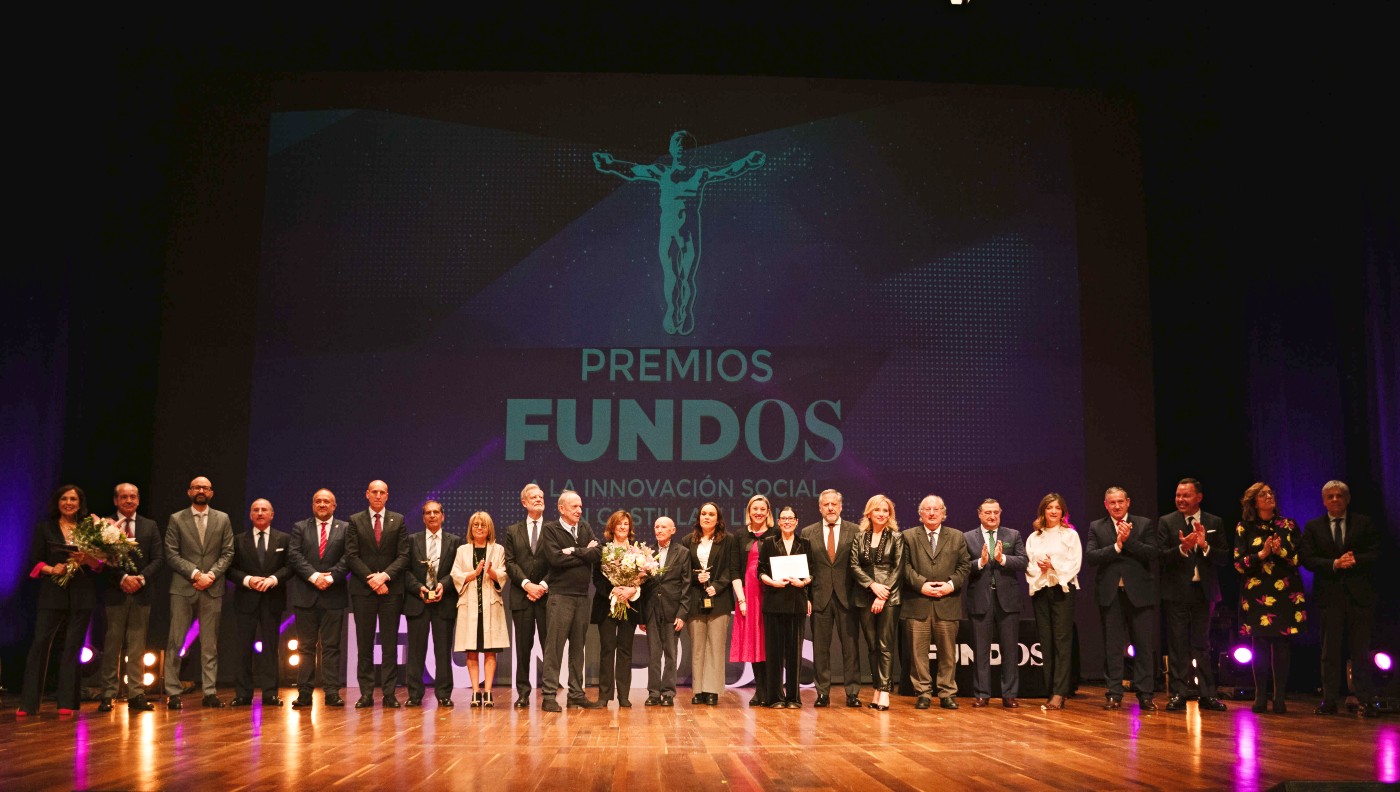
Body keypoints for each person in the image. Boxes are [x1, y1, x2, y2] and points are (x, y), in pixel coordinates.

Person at [592, 131, 765, 335]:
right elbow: (634, 170)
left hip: (690, 232)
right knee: (672, 276)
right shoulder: (662, 172)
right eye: (678, 145)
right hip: (669, 231)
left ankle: (687, 311)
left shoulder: (700, 174)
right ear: (672, 149)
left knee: (687, 278)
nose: (681, 148)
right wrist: (611, 164)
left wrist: (747, 162)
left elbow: (727, 171)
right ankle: (673, 310)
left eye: (685, 146)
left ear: (692, 151)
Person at [17, 485, 102, 717]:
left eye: (73, 499)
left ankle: (67, 702)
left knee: (72, 647)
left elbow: (100, 565)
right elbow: (35, 561)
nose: (68, 503)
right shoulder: (44, 528)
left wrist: (87, 559)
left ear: (80, 503)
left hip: (81, 594)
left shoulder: (90, 529)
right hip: (52, 593)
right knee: (40, 645)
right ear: (57, 502)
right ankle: (28, 704)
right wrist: (51, 569)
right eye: (64, 499)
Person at [1301, 480, 1381, 717]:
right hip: (1329, 596)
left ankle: (1366, 699)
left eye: (1339, 495)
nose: (1335, 499)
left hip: (1359, 596)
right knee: (1330, 652)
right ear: (1324, 501)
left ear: (1348, 499)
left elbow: (1377, 552)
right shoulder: (1314, 526)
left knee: (1360, 651)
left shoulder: (1363, 522)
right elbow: (1307, 558)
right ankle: (1329, 700)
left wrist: (1356, 560)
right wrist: (1334, 563)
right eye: (1330, 496)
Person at [1156, 478, 1229, 712]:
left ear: (1199, 497)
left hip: (1203, 591)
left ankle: (1207, 694)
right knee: (1177, 643)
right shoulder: (1167, 521)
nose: (1180, 499)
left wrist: (1205, 545)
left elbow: (1224, 557)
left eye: (1186, 495)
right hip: (1176, 592)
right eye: (1178, 495)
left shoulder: (1213, 522)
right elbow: (1160, 556)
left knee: (1202, 643)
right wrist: (1182, 548)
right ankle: (1179, 693)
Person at [1234, 481, 1306, 714]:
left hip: (1284, 590)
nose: (1269, 497)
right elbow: (1238, 563)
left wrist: (1280, 551)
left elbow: (1300, 558)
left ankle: (1280, 696)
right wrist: (1262, 554)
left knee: (1282, 643)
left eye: (1270, 493)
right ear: (1254, 502)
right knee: (1260, 643)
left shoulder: (1288, 525)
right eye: (1263, 494)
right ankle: (1260, 695)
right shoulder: (1244, 527)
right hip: (1257, 591)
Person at [163, 475, 235, 709]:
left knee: (210, 644)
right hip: (183, 588)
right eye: (196, 487)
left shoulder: (222, 519)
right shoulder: (176, 519)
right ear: (189, 492)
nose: (201, 491)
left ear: (211, 493)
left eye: (205, 487)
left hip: (212, 587)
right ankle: (173, 692)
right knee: (175, 641)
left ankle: (210, 692)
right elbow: (171, 553)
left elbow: (228, 552)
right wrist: (195, 574)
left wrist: (211, 575)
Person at [1085, 486, 1158, 711]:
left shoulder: (1143, 524)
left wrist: (1128, 541)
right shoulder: (1097, 526)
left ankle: (1145, 695)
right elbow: (1091, 556)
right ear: (1106, 505)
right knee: (1113, 647)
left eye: (1120, 502)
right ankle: (1114, 694)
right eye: (1112, 503)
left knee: (1143, 646)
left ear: (1128, 502)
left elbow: (1153, 553)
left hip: (1140, 595)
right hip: (1110, 595)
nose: (1116, 506)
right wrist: (1117, 546)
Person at [97, 482, 163, 714]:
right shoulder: (104, 525)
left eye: (133, 496)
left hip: (142, 593)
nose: (129, 500)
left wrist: (140, 579)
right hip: (115, 592)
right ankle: (108, 694)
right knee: (112, 645)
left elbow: (158, 558)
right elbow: (100, 560)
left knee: (137, 646)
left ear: (138, 500)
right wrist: (123, 578)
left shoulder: (149, 525)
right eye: (124, 497)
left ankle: (136, 694)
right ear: (116, 500)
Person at [901, 495, 969, 710]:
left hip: (947, 602)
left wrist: (950, 585)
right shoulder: (908, 536)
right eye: (927, 509)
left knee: (948, 654)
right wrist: (921, 585)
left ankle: (947, 693)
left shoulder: (957, 536)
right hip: (917, 602)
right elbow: (904, 567)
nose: (931, 513)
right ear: (920, 514)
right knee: (917, 654)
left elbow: (964, 566)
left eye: (936, 509)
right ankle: (923, 693)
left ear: (943, 513)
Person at [345, 479, 409, 708]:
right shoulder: (355, 521)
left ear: (387, 495)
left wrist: (384, 577)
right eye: (374, 492)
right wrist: (372, 579)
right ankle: (366, 693)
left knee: (390, 644)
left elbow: (404, 555)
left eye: (382, 492)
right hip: (364, 590)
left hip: (391, 590)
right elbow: (351, 556)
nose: (378, 495)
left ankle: (390, 693)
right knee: (365, 644)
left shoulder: (398, 520)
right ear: (367, 494)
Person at [538, 490, 604, 711]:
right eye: (574, 506)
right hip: (560, 596)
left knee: (578, 648)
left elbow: (598, 553)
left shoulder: (584, 527)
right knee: (554, 647)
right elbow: (556, 560)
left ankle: (576, 694)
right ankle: (549, 696)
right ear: (561, 508)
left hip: (582, 596)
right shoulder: (550, 529)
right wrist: (585, 553)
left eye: (580, 506)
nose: (579, 510)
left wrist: (574, 551)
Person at [286, 488, 350, 708]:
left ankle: (332, 692)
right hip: (306, 595)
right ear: (313, 505)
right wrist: (314, 577)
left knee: (332, 647)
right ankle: (304, 693)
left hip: (333, 594)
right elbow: (294, 555)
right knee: (306, 647)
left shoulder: (346, 528)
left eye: (326, 501)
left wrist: (331, 578)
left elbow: (349, 557)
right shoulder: (300, 527)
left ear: (334, 506)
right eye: (318, 501)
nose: (322, 504)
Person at [965, 498, 1028, 708]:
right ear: (979, 514)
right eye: (988, 512)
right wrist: (981, 562)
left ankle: (1009, 694)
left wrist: (1002, 559)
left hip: (1007, 600)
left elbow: (1023, 561)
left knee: (1009, 650)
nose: (992, 516)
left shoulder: (1012, 535)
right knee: (980, 650)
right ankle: (982, 693)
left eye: (996, 512)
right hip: (980, 599)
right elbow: (962, 566)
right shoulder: (967, 537)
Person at [801, 488, 862, 708]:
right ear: (820, 508)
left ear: (841, 506)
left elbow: (860, 566)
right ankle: (822, 693)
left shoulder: (855, 530)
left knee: (851, 648)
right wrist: (806, 597)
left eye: (834, 504)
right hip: (820, 598)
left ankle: (852, 693)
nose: (830, 508)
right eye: (826, 504)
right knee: (821, 649)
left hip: (848, 599)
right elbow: (805, 567)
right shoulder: (808, 532)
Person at [227, 498, 290, 707]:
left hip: (272, 600)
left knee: (271, 649)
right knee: (243, 648)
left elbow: (290, 567)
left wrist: (273, 579)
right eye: (256, 510)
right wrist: (248, 580)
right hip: (246, 600)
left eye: (264, 510)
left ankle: (270, 694)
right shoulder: (238, 540)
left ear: (272, 515)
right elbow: (230, 569)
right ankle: (243, 694)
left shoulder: (284, 539)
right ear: (250, 515)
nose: (260, 513)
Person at [1025, 493, 1081, 711]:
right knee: (1046, 641)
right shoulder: (1034, 537)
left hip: (1062, 590)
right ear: (1043, 511)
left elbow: (1074, 564)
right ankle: (1051, 689)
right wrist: (1041, 568)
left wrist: (1053, 565)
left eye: (1057, 508)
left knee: (1061, 641)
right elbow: (1029, 565)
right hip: (1041, 590)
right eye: (1049, 508)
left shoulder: (1070, 535)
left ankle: (1059, 692)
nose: (1054, 511)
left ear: (1063, 512)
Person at [403, 500, 460, 707]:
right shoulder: (412, 540)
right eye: (428, 513)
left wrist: (443, 585)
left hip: (444, 602)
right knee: (416, 651)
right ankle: (414, 694)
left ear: (443, 516)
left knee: (443, 651)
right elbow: (404, 570)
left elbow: (457, 570)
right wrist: (419, 588)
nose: (432, 516)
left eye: (436, 512)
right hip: (417, 601)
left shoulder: (454, 541)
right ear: (423, 517)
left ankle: (444, 694)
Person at [851, 494, 905, 710]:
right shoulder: (859, 537)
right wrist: (872, 586)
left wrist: (882, 594)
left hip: (889, 597)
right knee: (872, 646)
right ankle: (877, 689)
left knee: (884, 645)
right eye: (877, 510)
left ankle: (884, 692)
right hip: (865, 595)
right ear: (869, 513)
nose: (881, 514)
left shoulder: (896, 537)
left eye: (885, 510)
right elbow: (854, 566)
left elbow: (898, 569)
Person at [452, 510, 509, 707]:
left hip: (490, 606)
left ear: (489, 528)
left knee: (490, 651)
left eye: (483, 525)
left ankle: (488, 691)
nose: (479, 528)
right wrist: (474, 573)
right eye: (475, 525)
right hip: (469, 606)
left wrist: (490, 571)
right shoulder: (462, 550)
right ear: (470, 528)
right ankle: (476, 691)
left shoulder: (498, 549)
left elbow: (502, 574)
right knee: (471, 651)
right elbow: (455, 575)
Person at [681, 501, 735, 706]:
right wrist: (697, 579)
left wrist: (717, 586)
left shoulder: (728, 540)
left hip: (719, 600)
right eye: (703, 513)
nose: (706, 517)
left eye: (711, 514)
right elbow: (683, 571)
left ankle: (712, 690)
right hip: (695, 599)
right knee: (697, 647)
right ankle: (698, 690)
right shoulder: (688, 540)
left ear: (718, 519)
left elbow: (732, 568)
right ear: (698, 517)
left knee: (715, 646)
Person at [759, 505, 811, 708]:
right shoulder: (769, 543)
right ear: (779, 522)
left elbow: (812, 571)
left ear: (796, 522)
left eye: (791, 518)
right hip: (773, 603)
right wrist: (772, 582)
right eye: (784, 518)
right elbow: (760, 571)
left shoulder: (805, 543)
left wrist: (803, 582)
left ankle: (793, 698)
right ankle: (775, 697)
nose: (787, 521)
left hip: (797, 603)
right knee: (774, 652)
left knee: (794, 653)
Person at [502, 483, 550, 708]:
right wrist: (527, 584)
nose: (539, 499)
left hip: (546, 597)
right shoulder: (513, 531)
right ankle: (523, 692)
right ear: (524, 503)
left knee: (549, 647)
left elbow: (557, 562)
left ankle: (549, 692)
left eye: (541, 496)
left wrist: (542, 585)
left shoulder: (553, 529)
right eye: (534, 497)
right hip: (522, 597)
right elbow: (510, 562)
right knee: (523, 648)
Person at [591, 510, 643, 707]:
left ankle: (624, 696)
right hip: (606, 605)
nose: (622, 527)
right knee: (607, 649)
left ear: (630, 528)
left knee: (625, 650)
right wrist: (613, 590)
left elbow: (643, 577)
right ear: (612, 527)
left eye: (626, 524)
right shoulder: (603, 549)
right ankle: (604, 696)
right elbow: (597, 578)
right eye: (619, 523)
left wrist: (631, 589)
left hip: (629, 604)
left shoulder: (637, 552)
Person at [731, 494, 777, 706]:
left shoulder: (776, 533)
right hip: (748, 594)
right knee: (754, 642)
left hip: (771, 592)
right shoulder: (740, 535)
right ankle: (760, 690)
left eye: (762, 509)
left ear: (768, 513)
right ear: (749, 511)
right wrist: (741, 600)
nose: (758, 512)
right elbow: (734, 570)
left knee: (769, 642)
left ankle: (772, 690)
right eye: (754, 509)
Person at [642, 516, 690, 707]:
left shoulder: (682, 552)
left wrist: (682, 613)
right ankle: (653, 692)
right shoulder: (647, 552)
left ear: (673, 530)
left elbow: (686, 584)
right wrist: (643, 616)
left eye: (663, 527)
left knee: (670, 653)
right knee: (653, 654)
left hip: (673, 609)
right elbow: (643, 585)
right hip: (652, 609)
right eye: (657, 526)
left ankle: (668, 692)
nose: (659, 530)